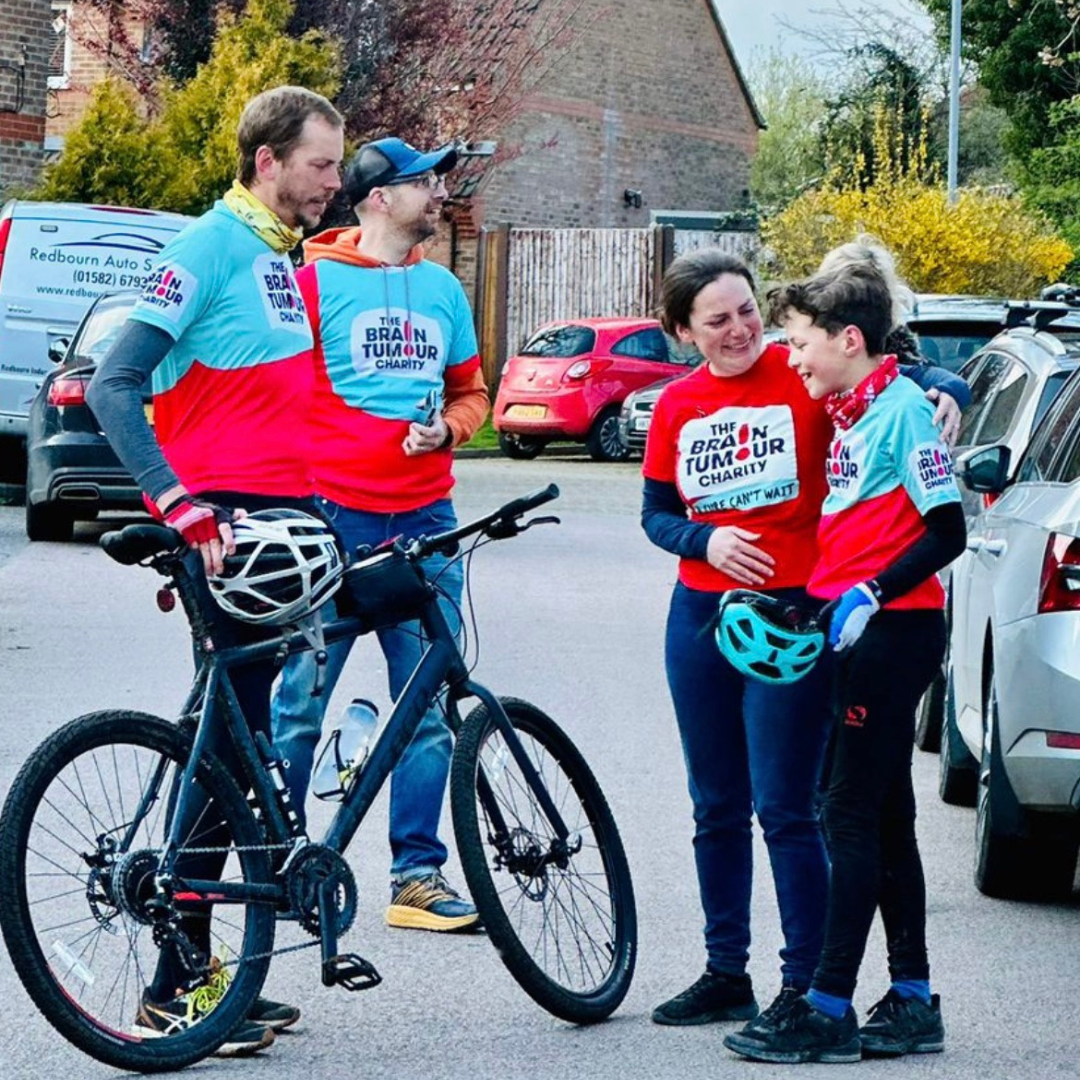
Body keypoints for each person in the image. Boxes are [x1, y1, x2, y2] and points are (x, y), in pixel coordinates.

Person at [642, 248, 969, 1031]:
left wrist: (951, 388)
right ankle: (726, 970)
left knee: (787, 807)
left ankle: (804, 985)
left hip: (796, 614)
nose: (742, 330)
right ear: (684, 332)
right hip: (701, 616)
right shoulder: (675, 406)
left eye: (747, 310)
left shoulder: (806, 374)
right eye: (716, 320)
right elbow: (655, 515)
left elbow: (902, 375)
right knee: (714, 805)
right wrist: (702, 541)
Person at [86, 85, 346, 1055]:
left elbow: (291, 412)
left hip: (289, 523)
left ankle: (209, 977)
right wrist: (177, 503)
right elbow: (112, 384)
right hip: (230, 532)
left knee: (230, 748)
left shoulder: (285, 260)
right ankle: (174, 986)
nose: (335, 179)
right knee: (229, 753)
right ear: (267, 160)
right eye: (321, 163)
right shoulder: (207, 248)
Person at [270, 136, 489, 933]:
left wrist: (452, 432)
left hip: (427, 521)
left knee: (427, 704)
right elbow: (282, 397)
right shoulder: (313, 283)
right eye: (422, 182)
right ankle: (284, 866)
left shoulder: (444, 289)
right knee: (299, 706)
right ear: (375, 199)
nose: (438, 193)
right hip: (336, 521)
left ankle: (417, 875)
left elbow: (473, 392)